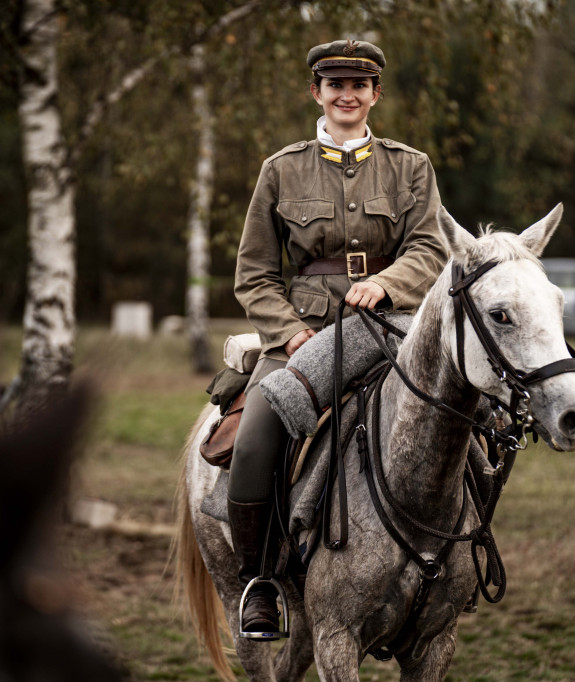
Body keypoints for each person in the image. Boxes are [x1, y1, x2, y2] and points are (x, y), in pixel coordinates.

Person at [229, 39, 447, 639]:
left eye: (359, 85)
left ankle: (459, 561)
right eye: (335, 85)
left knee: (461, 424)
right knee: (254, 436)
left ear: (376, 94)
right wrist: (290, 332)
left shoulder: (411, 167)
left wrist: (386, 282)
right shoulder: (281, 169)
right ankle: (261, 580)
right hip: (301, 336)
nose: (347, 95)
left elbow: (430, 249)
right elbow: (254, 274)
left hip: (389, 332)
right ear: (317, 93)